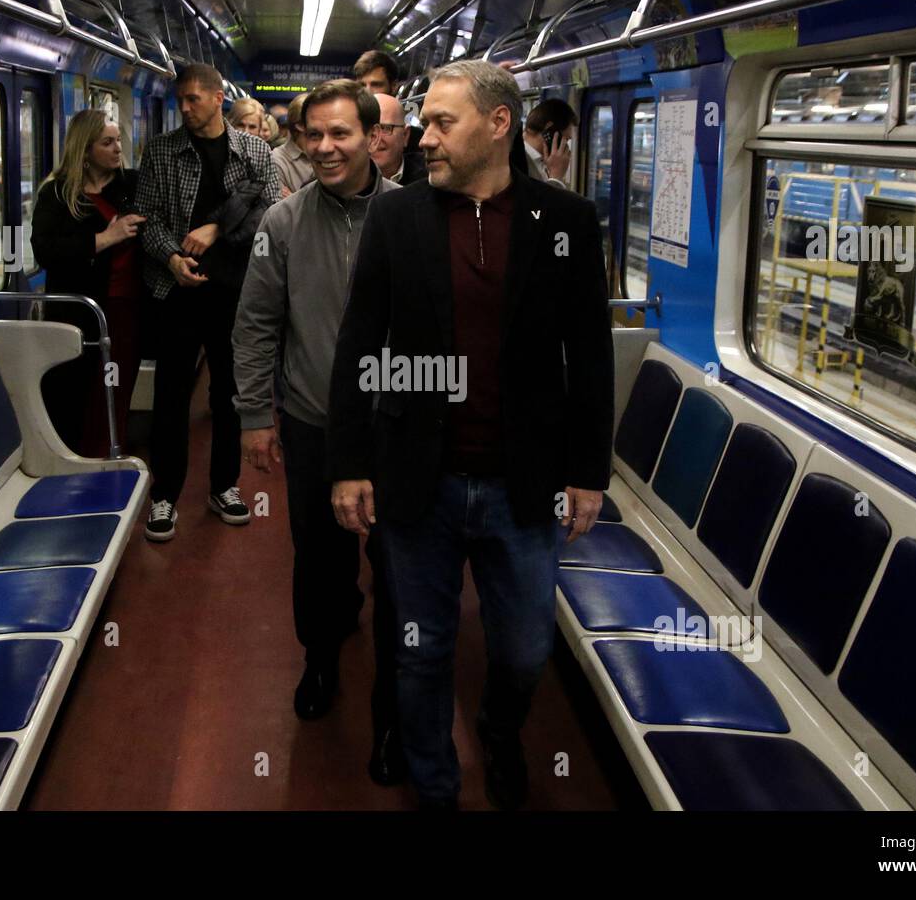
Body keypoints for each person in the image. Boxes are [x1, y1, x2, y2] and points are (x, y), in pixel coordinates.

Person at [327, 60, 613, 810]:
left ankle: (497, 729)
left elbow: (588, 354)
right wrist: (350, 463)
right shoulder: (399, 219)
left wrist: (589, 471)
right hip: (421, 479)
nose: (422, 138)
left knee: (524, 651)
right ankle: (434, 785)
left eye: (440, 123)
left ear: (498, 125)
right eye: (421, 123)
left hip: (524, 482)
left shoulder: (566, 223)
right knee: (421, 655)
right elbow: (361, 343)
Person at [234, 79, 406, 781]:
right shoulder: (282, 224)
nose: (327, 147)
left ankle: (393, 707)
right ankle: (320, 659)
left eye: (341, 134)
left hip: (396, 427)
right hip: (312, 421)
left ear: (374, 137)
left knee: (399, 571)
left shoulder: (414, 219)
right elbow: (256, 323)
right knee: (321, 560)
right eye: (315, 135)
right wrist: (252, 415)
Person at [135, 63, 280, 540]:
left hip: (236, 289)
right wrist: (173, 258)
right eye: (180, 100)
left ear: (218, 98)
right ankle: (164, 494)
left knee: (228, 396)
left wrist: (217, 228)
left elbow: (269, 212)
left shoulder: (254, 149)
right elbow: (149, 217)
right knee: (171, 396)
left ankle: (225, 485)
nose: (185, 108)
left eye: (193, 99)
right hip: (177, 290)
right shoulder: (161, 151)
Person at [31, 110, 145, 458]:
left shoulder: (130, 185)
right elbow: (45, 250)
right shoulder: (58, 194)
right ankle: (75, 454)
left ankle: (111, 449)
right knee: (75, 384)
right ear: (85, 149)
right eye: (107, 143)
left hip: (126, 304)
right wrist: (102, 239)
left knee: (116, 383)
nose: (116, 150)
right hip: (79, 308)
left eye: (118, 142)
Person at [521, 97, 578, 188]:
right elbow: (540, 202)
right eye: (566, 139)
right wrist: (556, 177)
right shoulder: (515, 161)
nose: (566, 147)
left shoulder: (544, 162)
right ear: (549, 130)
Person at [372, 93, 426, 184]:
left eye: (385, 128)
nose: (375, 138)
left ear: (405, 135)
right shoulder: (344, 180)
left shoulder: (429, 175)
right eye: (369, 129)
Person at [270, 92, 313, 197]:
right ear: (300, 125)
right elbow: (282, 208)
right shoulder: (277, 158)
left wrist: (294, 198)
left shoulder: (325, 151)